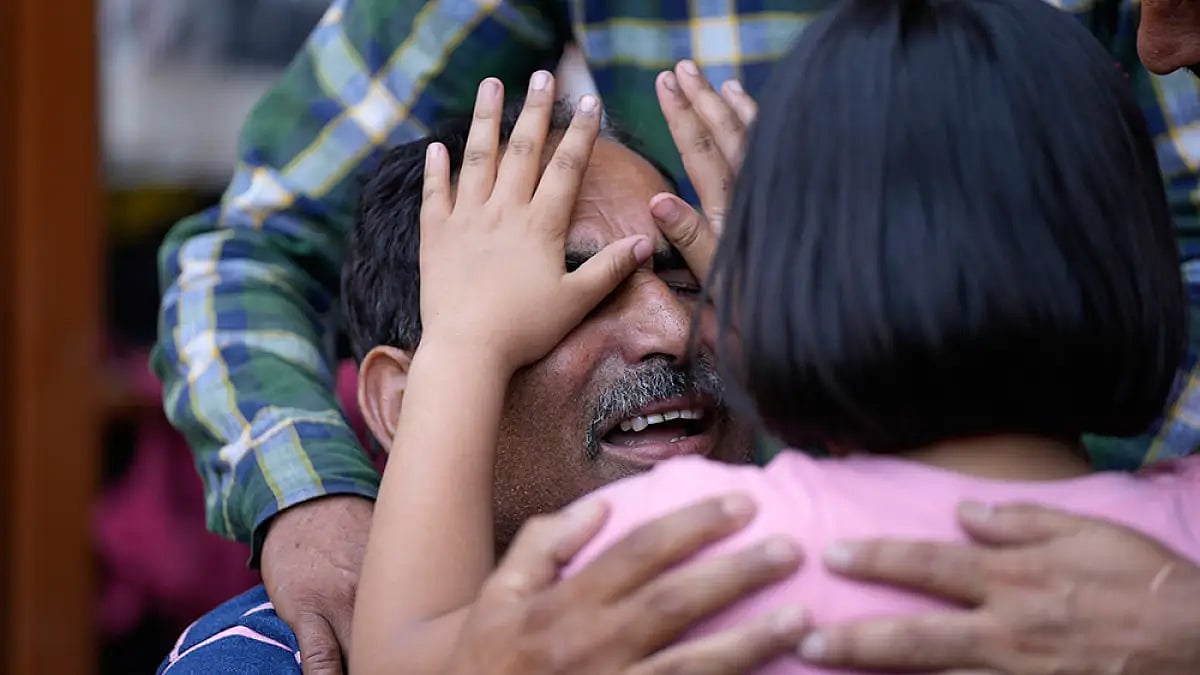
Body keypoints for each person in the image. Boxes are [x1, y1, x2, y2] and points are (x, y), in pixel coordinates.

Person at [156, 2, 1200, 673]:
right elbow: (259, 235)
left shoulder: (693, 561)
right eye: (568, 285)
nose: (670, 327)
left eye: (695, 270)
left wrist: (470, 342)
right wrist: (307, 493)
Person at [159, 91, 815, 675]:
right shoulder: (262, 661)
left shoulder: (861, 610)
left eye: (689, 281)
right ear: (402, 401)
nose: (670, 329)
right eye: (577, 296)